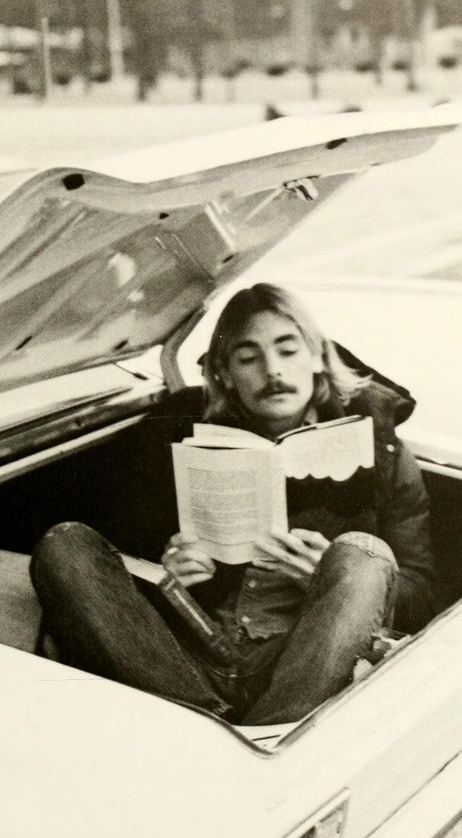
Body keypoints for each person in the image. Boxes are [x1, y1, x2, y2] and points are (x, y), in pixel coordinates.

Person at [30, 284, 437, 724]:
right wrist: (168, 569)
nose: (272, 370)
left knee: (363, 553)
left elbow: (422, 593)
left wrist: (328, 581)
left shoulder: (381, 449)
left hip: (301, 659)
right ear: (224, 372)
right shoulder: (178, 431)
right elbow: (119, 559)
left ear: (318, 357)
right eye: (248, 358)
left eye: (287, 351)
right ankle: (206, 719)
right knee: (64, 545)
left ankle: (262, 726)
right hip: (186, 649)